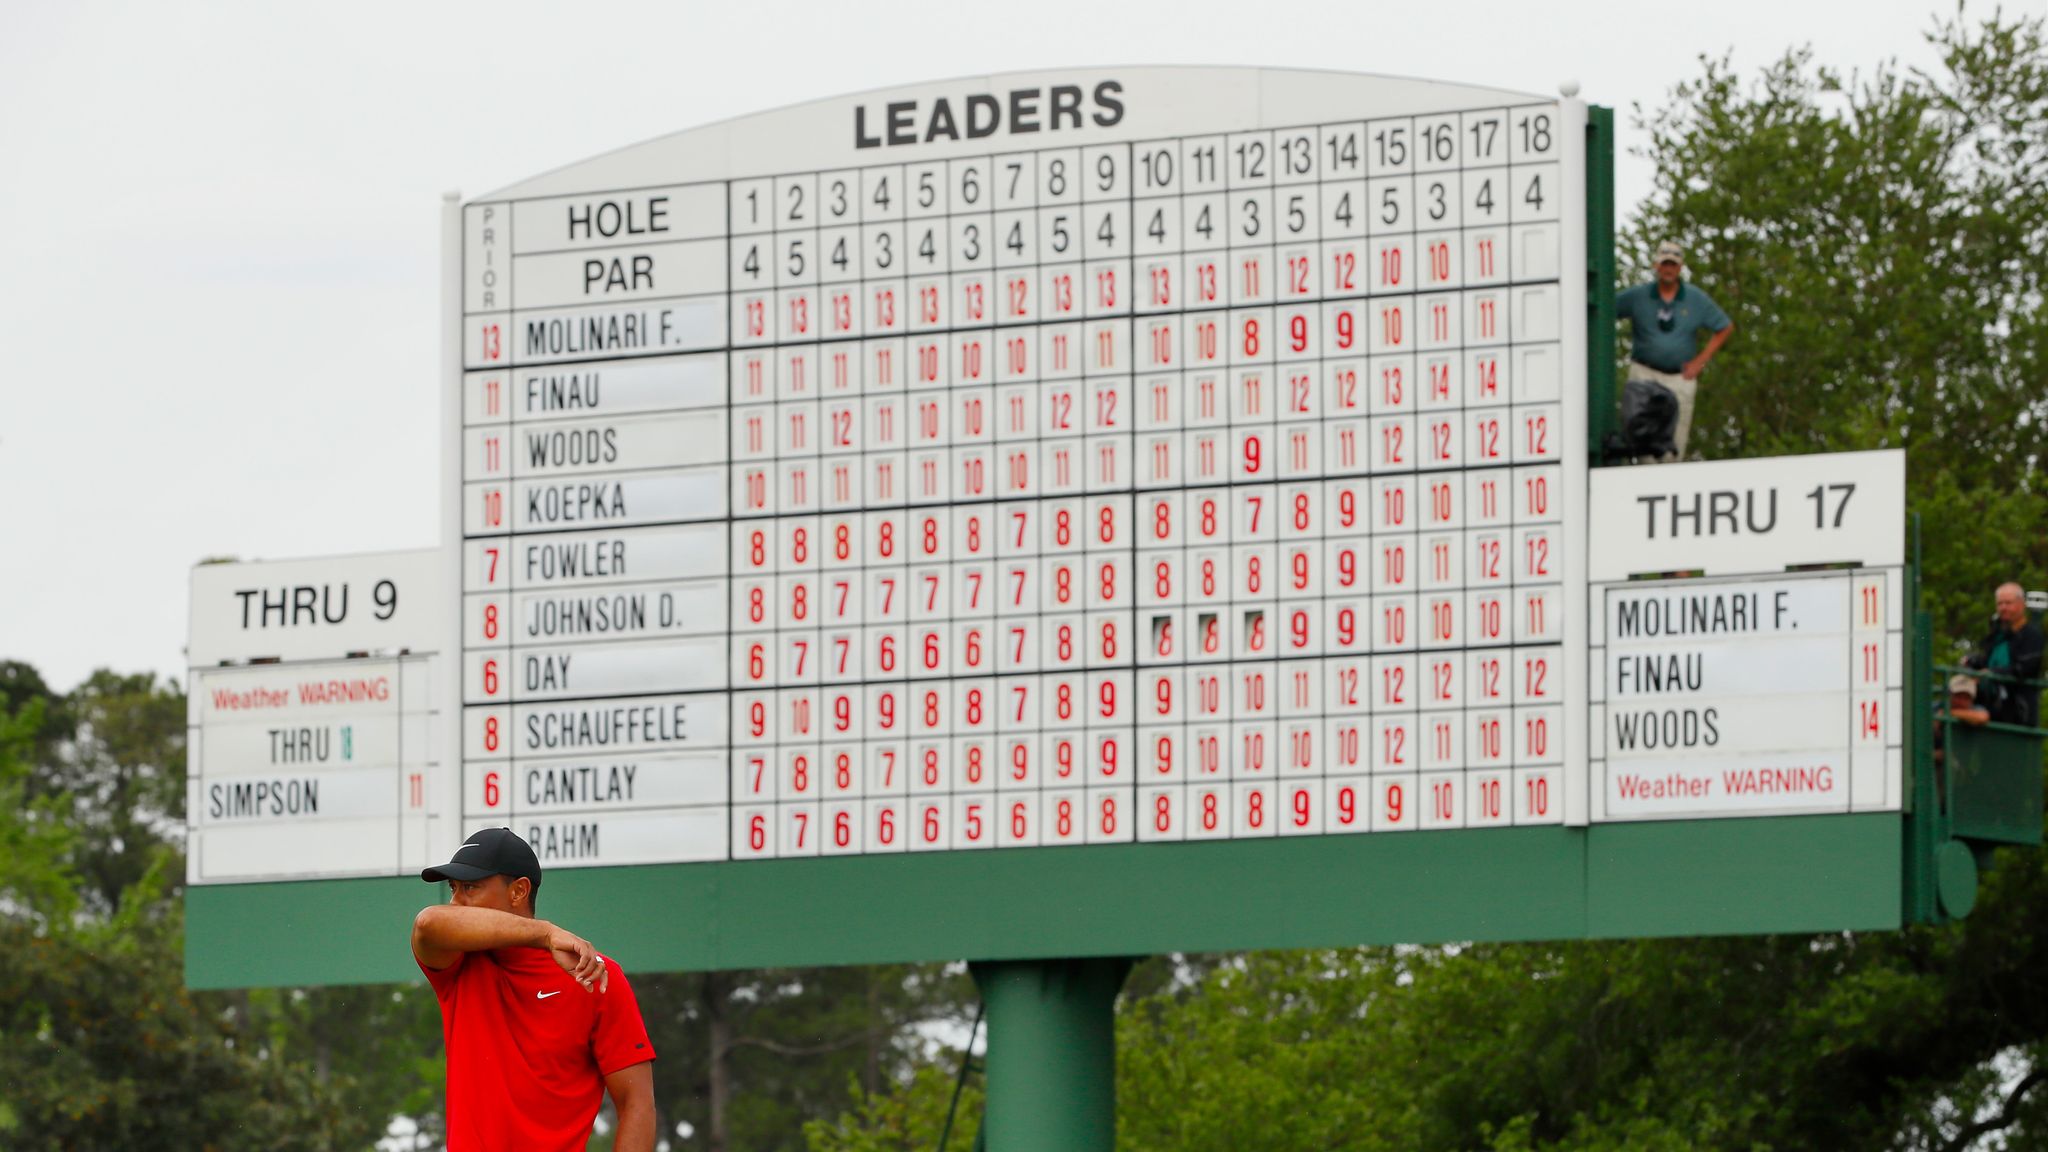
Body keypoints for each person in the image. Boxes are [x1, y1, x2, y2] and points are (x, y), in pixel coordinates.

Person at [412, 827, 657, 1152]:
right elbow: (428, 924)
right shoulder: (458, 963)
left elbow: (637, 1105)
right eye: (453, 888)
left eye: (470, 887)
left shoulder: (596, 974)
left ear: (518, 892)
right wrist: (545, 934)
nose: (456, 902)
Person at [1615, 241, 1735, 461]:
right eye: (1664, 264)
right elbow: (1606, 308)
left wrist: (1701, 361)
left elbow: (1724, 326)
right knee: (1643, 445)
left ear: (1680, 268)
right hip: (1644, 374)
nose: (1668, 269)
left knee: (1674, 447)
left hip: (1679, 378)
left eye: (1673, 265)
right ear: (1656, 266)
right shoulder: (1638, 296)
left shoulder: (1695, 298)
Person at [1966, 582, 2045, 726]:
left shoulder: (2032, 635)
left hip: (2018, 714)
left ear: (2021, 604)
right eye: (2000, 604)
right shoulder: (1997, 635)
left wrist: (1991, 673)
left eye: (2008, 603)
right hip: (1989, 708)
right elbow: (1985, 661)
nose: (2003, 608)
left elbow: (2024, 668)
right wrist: (1973, 662)